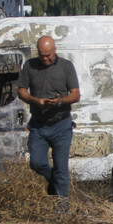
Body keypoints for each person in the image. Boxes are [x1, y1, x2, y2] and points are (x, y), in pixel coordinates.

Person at [18, 36, 80, 212]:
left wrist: (60, 102)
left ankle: (62, 208)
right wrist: (35, 100)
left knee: (61, 167)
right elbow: (21, 91)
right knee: (36, 163)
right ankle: (54, 181)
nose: (45, 58)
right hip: (39, 125)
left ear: (55, 50)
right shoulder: (29, 66)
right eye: (42, 55)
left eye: (48, 55)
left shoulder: (66, 66)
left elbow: (75, 94)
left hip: (61, 125)